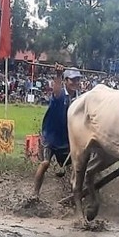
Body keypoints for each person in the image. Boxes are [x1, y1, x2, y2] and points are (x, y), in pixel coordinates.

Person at [31, 64, 82, 198]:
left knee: (78, 164)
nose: (75, 83)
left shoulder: (80, 99)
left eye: (77, 80)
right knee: (45, 163)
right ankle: (35, 193)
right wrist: (58, 75)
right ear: (66, 81)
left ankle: (73, 191)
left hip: (66, 139)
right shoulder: (60, 94)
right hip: (51, 136)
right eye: (72, 80)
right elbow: (56, 92)